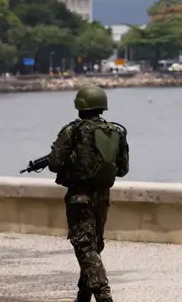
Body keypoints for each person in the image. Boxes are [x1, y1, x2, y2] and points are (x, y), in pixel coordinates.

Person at [47, 84, 130, 302]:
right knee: (93, 246)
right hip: (103, 197)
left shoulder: (72, 131)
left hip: (79, 197)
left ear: (80, 105)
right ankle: (83, 296)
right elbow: (122, 169)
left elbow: (55, 163)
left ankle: (103, 295)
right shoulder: (115, 132)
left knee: (85, 248)